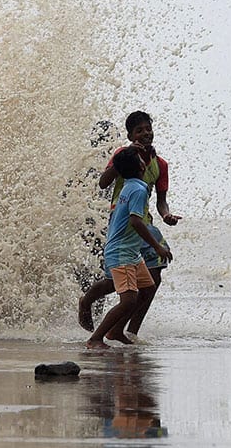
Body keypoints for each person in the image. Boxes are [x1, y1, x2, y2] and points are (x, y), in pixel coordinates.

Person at [78, 111, 181, 336]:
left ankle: (129, 332)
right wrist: (123, 157)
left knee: (152, 279)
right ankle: (86, 302)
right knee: (116, 281)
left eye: (148, 129)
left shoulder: (160, 164)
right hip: (123, 223)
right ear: (130, 135)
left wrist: (166, 216)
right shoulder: (124, 155)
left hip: (144, 224)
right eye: (139, 130)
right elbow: (104, 183)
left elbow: (161, 201)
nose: (145, 133)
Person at [87, 147, 172, 349]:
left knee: (148, 287)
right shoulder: (139, 190)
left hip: (130, 250)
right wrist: (157, 247)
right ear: (140, 166)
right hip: (121, 251)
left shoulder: (129, 185)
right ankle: (96, 338)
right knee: (128, 301)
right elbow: (136, 221)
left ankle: (116, 331)